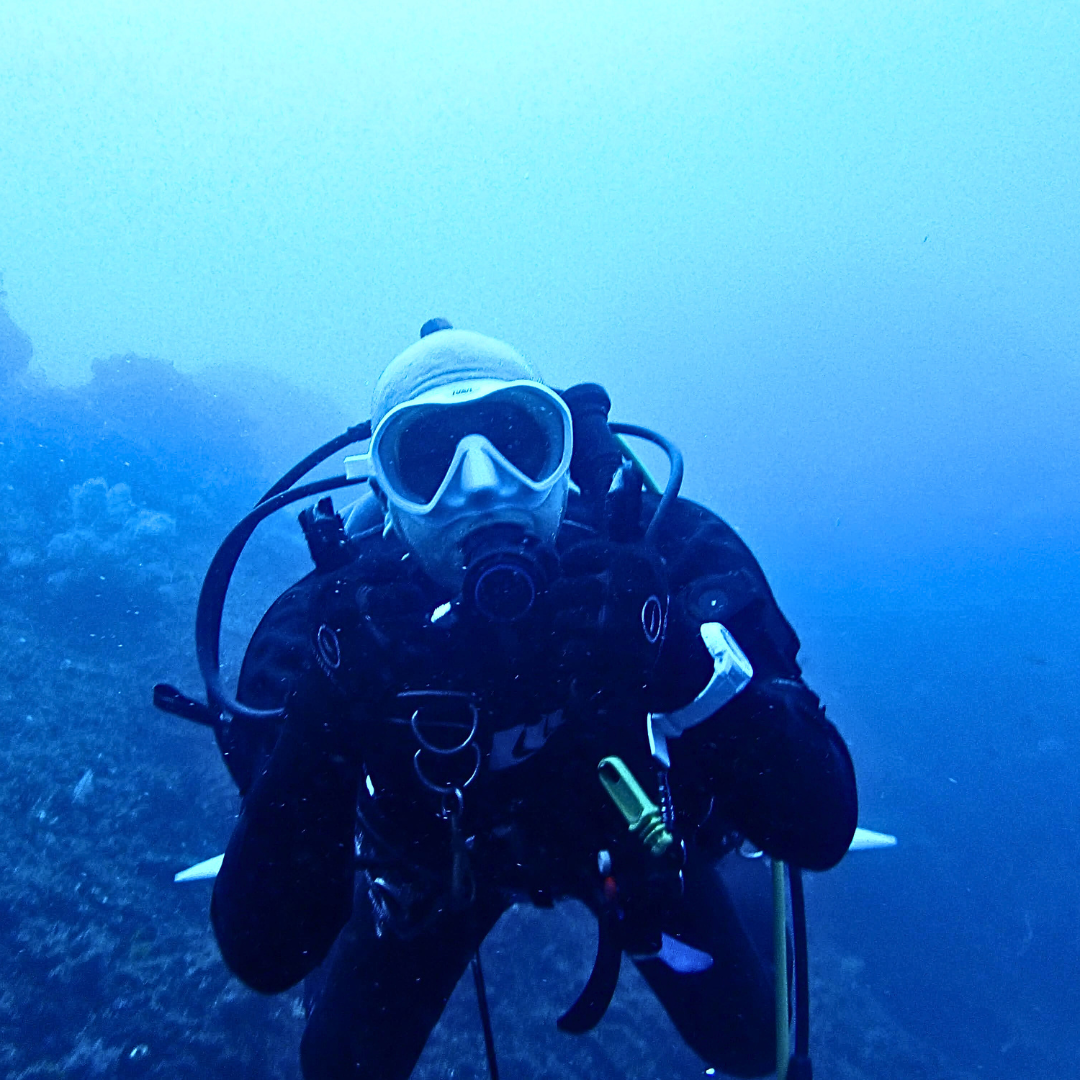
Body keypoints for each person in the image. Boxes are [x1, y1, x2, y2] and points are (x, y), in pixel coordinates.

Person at [208, 322, 858, 1080]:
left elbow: (821, 826)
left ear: (562, 458)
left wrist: (674, 649)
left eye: (517, 440)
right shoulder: (332, 630)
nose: (480, 484)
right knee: (339, 1069)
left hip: (633, 841)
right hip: (433, 870)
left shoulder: (664, 558)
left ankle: (727, 852)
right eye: (428, 460)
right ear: (385, 492)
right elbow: (266, 950)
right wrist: (326, 709)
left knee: (756, 1047)